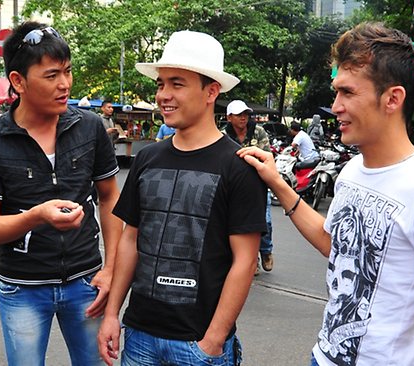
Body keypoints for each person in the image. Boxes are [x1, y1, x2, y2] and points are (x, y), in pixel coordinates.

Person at [238, 22, 414, 366]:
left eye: (348, 93)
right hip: (325, 356)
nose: (336, 105)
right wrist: (277, 182)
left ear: (393, 98)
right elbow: (335, 244)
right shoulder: (352, 171)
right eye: (336, 92)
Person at [97, 30, 267, 366]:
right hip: (139, 336)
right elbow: (130, 239)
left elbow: (245, 261)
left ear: (211, 91)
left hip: (198, 343)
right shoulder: (147, 158)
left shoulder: (239, 167)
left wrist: (213, 340)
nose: (163, 95)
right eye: (161, 84)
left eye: (177, 83)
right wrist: (112, 314)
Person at [0, 22, 123, 365]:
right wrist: (36, 216)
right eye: (51, 75)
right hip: (22, 288)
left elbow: (110, 198)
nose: (64, 84)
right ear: (18, 81)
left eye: (67, 71)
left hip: (86, 282)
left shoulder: (90, 126)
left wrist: (110, 269)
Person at [224, 99, 274, 275]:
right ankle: (250, 261)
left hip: (258, 182)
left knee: (264, 221)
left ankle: (266, 251)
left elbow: (266, 156)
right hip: (235, 185)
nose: (243, 118)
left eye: (245, 114)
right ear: (229, 117)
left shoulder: (258, 132)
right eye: (239, 115)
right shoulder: (223, 135)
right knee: (239, 225)